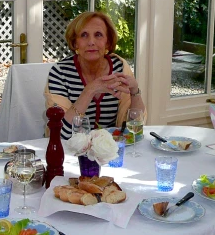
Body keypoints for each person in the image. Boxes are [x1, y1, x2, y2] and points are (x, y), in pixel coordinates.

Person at [45, 11, 145, 139]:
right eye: (84, 35)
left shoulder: (119, 67)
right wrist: (90, 90)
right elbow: (60, 134)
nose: (91, 42)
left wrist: (134, 91)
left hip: (109, 149)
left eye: (98, 35)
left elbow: (133, 131)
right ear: (75, 43)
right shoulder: (60, 72)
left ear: (107, 42)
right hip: (71, 152)